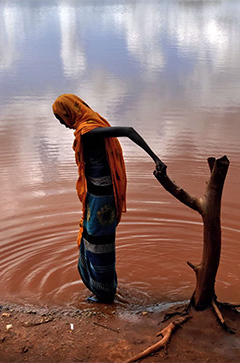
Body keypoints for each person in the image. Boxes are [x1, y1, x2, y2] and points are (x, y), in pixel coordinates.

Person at [52, 94, 166, 303]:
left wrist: (155, 158)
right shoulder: (89, 126)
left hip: (101, 202)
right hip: (97, 199)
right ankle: (103, 290)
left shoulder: (88, 132)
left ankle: (105, 294)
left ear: (69, 113)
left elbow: (128, 131)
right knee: (92, 241)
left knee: (98, 245)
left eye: (61, 118)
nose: (62, 123)